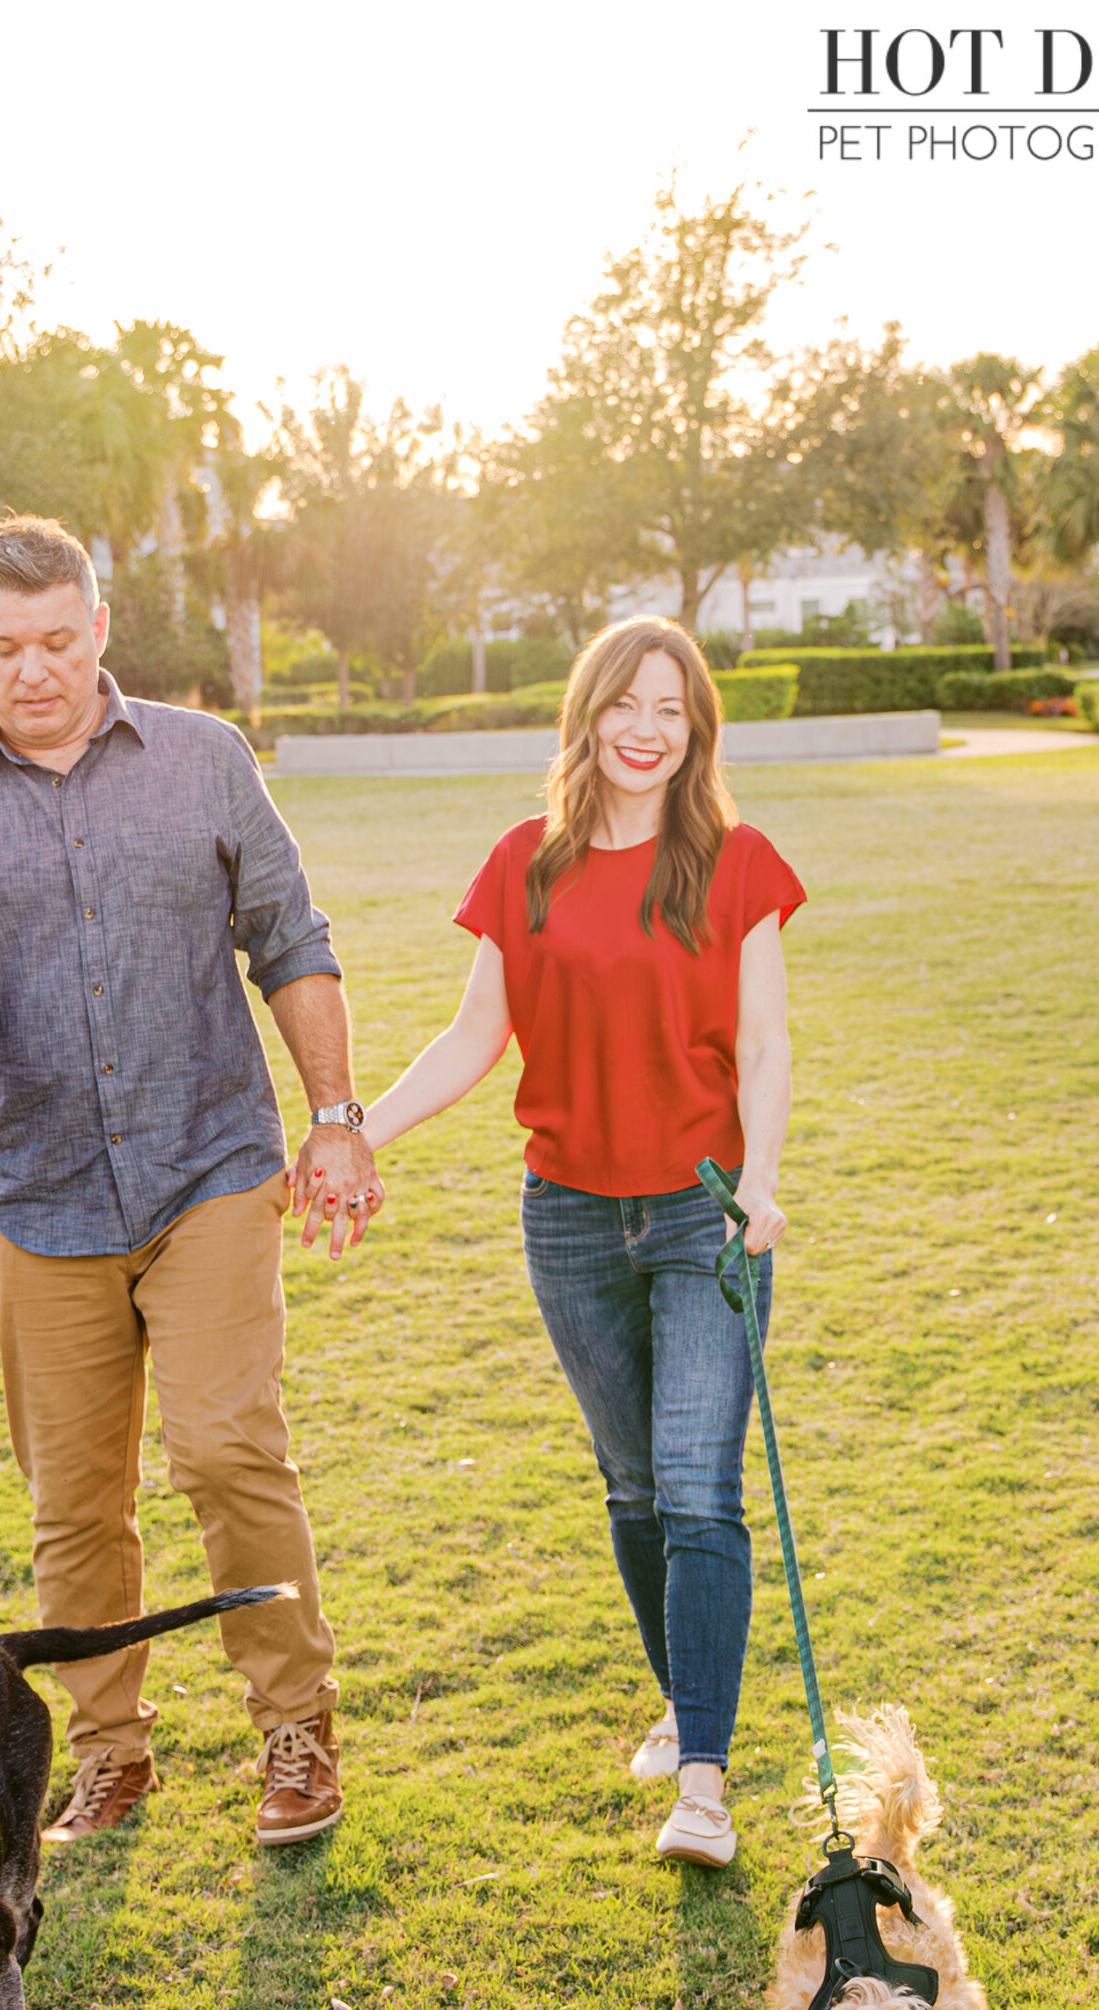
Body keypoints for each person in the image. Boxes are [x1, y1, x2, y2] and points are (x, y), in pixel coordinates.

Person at [0, 516, 382, 1849]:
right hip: (35, 1200)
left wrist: (333, 1117)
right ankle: (106, 1756)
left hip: (206, 1166)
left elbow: (289, 938)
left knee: (224, 1449)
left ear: (99, 627)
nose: (33, 671)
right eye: (3, 648)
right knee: (74, 1503)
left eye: (56, 640)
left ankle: (294, 1731)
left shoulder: (204, 762)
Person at [363, 618, 804, 1867]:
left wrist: (762, 1176)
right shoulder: (527, 863)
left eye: (672, 709)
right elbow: (471, 1038)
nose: (647, 730)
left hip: (702, 1211)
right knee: (632, 1486)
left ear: (695, 726)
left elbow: (765, 1043)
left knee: (698, 1484)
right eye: (627, 704)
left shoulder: (733, 862)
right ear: (589, 714)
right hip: (566, 1216)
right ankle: (688, 1697)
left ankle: (704, 1787)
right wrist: (358, 1131)